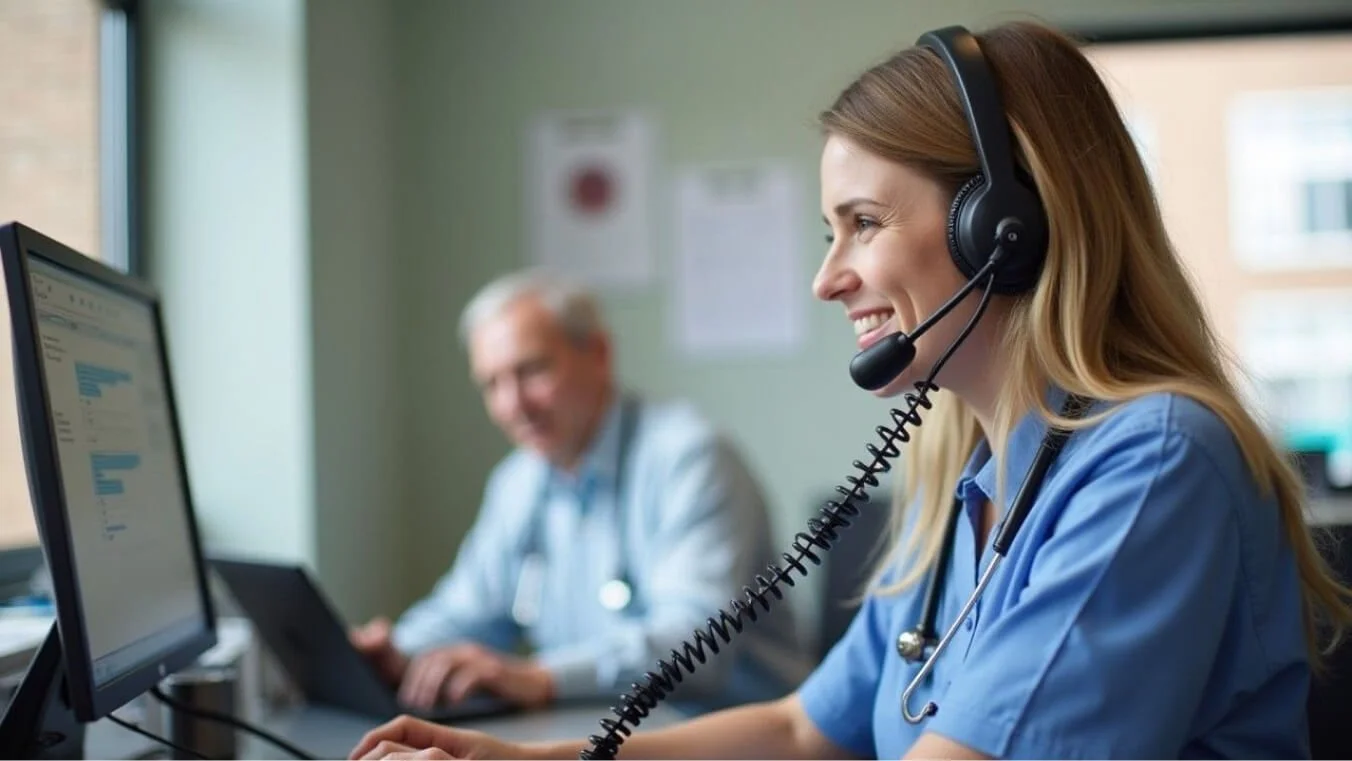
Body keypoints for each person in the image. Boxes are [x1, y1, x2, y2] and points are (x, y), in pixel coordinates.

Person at [350, 20, 1352, 760]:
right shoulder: (961, 478)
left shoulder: (1152, 460)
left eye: (861, 222)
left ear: (1003, 229)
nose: (826, 277)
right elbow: (798, 730)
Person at [350, 268, 811, 715]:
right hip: (608, 737)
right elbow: (468, 607)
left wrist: (541, 678)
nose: (513, 406)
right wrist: (395, 653)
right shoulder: (519, 481)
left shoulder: (690, 458)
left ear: (599, 354)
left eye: (531, 371)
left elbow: (698, 645)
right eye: (491, 384)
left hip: (737, 739)